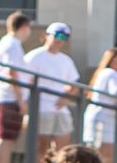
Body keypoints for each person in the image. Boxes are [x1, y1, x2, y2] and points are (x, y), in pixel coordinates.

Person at [23, 22, 83, 150]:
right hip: (41, 109)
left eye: (64, 37)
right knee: (41, 148)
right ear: (46, 36)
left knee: (63, 148)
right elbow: (24, 80)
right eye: (58, 35)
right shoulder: (34, 56)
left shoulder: (66, 60)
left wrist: (66, 97)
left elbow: (75, 84)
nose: (60, 40)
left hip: (60, 110)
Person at [0, 11, 35, 163]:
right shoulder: (12, 43)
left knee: (6, 138)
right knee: (4, 139)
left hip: (8, 97)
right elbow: (12, 72)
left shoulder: (9, 43)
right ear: (23, 27)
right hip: (9, 97)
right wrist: (21, 99)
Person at [82, 47, 117, 163]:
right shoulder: (111, 73)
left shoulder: (108, 73)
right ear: (111, 60)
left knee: (101, 156)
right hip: (102, 119)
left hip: (103, 118)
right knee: (102, 156)